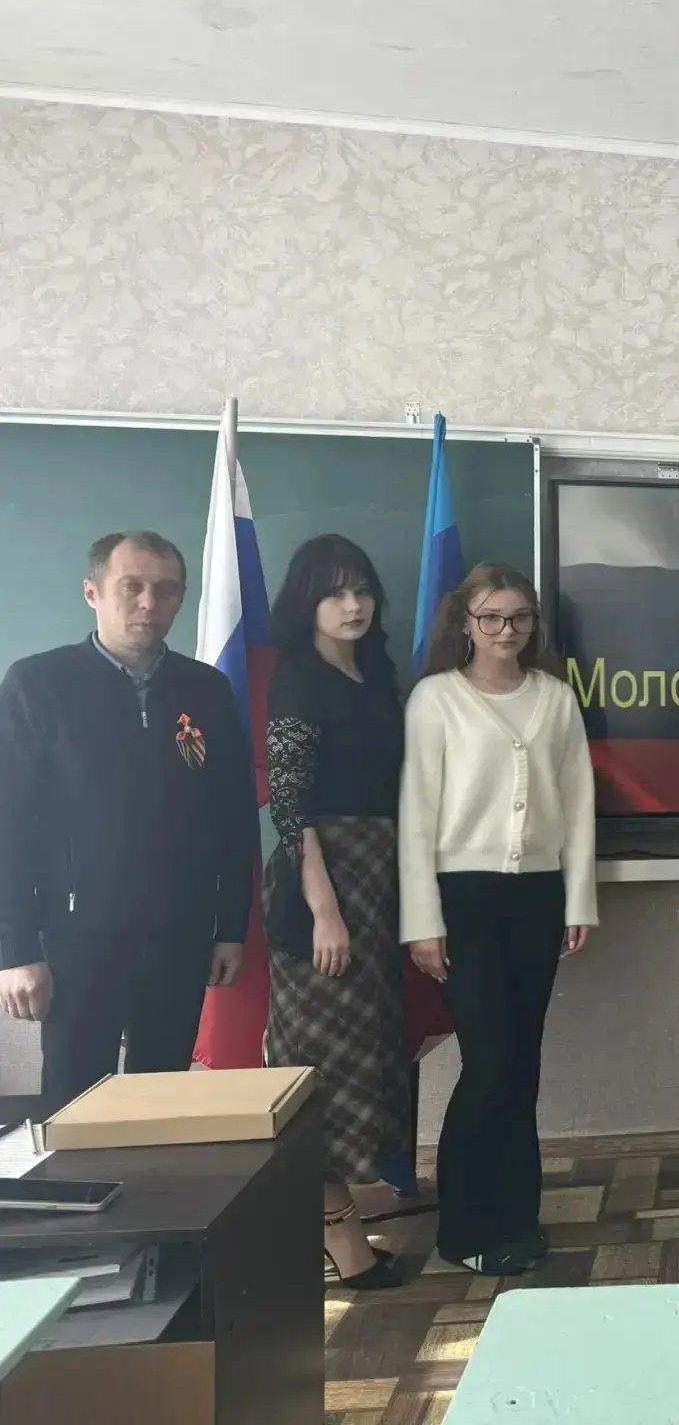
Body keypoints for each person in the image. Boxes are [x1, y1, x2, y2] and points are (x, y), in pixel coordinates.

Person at [0, 533, 253, 1109]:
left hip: (180, 935)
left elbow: (233, 820)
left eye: (165, 590)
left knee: (159, 1103)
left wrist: (231, 927)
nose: (148, 603)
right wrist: (14, 949)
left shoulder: (206, 690)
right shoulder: (37, 684)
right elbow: (9, 825)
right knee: (74, 1105)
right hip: (75, 939)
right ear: (92, 592)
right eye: (131, 587)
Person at [400, 564, 598, 1277]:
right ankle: (466, 1228)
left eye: (518, 617)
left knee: (522, 1063)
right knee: (487, 1063)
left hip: (537, 898)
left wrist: (578, 901)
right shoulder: (435, 699)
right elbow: (416, 815)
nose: (505, 630)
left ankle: (517, 1217)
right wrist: (422, 921)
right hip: (463, 901)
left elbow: (578, 804)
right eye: (490, 617)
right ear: (465, 622)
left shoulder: (555, 699)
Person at [261, 536, 409, 1291]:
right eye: (334, 592)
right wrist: (325, 910)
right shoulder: (297, 679)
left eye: (362, 590)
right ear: (306, 602)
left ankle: (344, 1223)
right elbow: (291, 809)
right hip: (322, 884)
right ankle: (341, 1248)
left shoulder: (377, 674)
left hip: (379, 880)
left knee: (366, 1057)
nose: (353, 606)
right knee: (318, 1064)